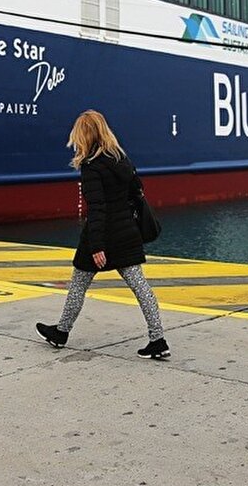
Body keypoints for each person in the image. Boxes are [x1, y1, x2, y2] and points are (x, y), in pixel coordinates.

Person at [35, 110, 169, 359]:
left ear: (84, 136)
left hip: (100, 236)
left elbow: (97, 209)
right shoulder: (121, 159)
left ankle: (61, 332)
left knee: (78, 285)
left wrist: (97, 246)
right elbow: (136, 191)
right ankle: (158, 339)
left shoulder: (91, 166)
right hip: (127, 232)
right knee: (141, 288)